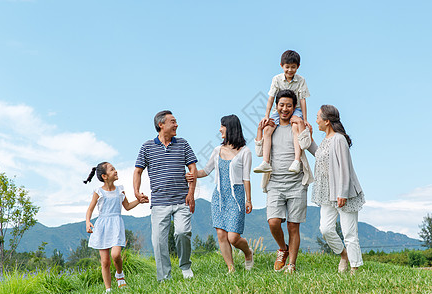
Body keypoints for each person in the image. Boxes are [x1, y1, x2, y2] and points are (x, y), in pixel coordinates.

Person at [133, 110, 198, 282]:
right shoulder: (147, 146)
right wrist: (136, 191)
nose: (177, 125)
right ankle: (164, 278)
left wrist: (191, 193)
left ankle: (185, 266)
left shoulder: (183, 144)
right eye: (173, 121)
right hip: (159, 202)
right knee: (158, 242)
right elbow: (138, 171)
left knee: (183, 233)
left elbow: (193, 169)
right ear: (161, 125)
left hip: (181, 199)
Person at [254, 89, 314, 274]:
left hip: (297, 182)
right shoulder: (271, 127)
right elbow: (259, 153)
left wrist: (303, 126)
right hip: (275, 182)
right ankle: (282, 248)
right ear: (276, 106)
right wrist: (259, 130)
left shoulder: (298, 125)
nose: (285, 109)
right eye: (281, 105)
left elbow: (306, 145)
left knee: (293, 225)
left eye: (289, 105)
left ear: (294, 107)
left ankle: (292, 265)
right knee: (273, 221)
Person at [186, 114, 254, 273]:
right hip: (219, 196)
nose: (219, 129)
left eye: (222, 126)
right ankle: (231, 268)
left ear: (230, 128)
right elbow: (206, 171)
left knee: (233, 238)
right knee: (221, 235)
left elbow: (246, 178)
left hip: (236, 197)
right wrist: (193, 174)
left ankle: (248, 252)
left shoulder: (245, 152)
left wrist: (248, 200)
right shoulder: (217, 150)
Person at [308, 105, 365, 274]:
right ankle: (344, 254)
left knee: (349, 233)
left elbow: (345, 168)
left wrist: (343, 193)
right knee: (325, 229)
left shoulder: (339, 139)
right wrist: (310, 139)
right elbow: (319, 155)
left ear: (327, 121)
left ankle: (354, 269)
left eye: (318, 117)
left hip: (344, 193)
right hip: (326, 193)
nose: (316, 120)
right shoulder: (326, 139)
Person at [84, 162, 140, 293]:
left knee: (115, 255)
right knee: (105, 262)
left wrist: (139, 201)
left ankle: (119, 275)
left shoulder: (120, 190)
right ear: (104, 176)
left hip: (116, 225)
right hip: (102, 226)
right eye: (112, 170)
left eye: (115, 169)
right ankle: (108, 289)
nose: (116, 171)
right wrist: (88, 222)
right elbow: (90, 209)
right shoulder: (98, 192)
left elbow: (127, 206)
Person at [254, 50, 310, 174]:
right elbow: (271, 98)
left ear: (298, 67)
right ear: (281, 66)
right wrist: (267, 116)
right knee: (268, 128)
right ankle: (265, 162)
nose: (290, 70)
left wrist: (304, 119)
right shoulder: (276, 79)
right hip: (278, 110)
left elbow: (303, 100)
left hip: (295, 109)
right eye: (287, 67)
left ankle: (296, 161)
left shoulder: (301, 80)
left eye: (293, 67)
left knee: (295, 125)